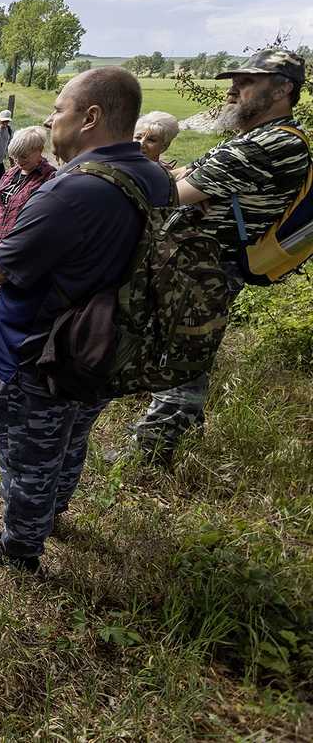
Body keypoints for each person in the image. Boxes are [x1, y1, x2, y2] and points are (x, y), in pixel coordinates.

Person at [0, 66, 172, 573]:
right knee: (72, 437)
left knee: (27, 451)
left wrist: (3, 267)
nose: (53, 119)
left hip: (43, 349)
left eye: (59, 110)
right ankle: (50, 514)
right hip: (108, 343)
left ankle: (19, 548)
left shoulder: (72, 192)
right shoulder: (155, 177)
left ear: (91, 117)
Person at [131, 49, 309, 464]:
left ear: (283, 89)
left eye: (246, 83)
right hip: (202, 264)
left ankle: (145, 457)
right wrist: (188, 183)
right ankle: (176, 441)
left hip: (206, 267)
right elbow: (182, 178)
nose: (233, 90)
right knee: (186, 354)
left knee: (179, 361)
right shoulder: (259, 138)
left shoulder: (271, 144)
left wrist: (181, 184)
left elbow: (170, 192)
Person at [0, 126, 56, 259]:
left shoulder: (49, 177)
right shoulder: (11, 173)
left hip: (21, 250)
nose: (18, 161)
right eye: (14, 156)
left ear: (39, 150)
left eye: (23, 156)